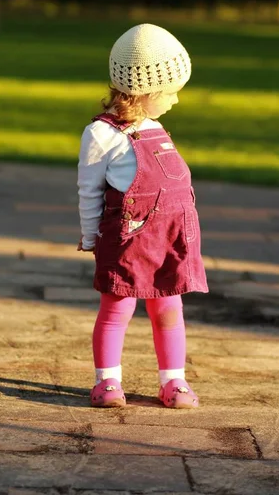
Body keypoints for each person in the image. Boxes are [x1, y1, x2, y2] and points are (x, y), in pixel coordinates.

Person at [77, 23, 208, 409]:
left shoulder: (155, 127)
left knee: (169, 309)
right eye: (170, 93)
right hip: (128, 240)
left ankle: (173, 381)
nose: (176, 101)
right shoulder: (102, 134)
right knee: (117, 308)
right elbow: (89, 191)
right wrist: (90, 237)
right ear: (145, 90)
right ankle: (107, 382)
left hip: (168, 239)